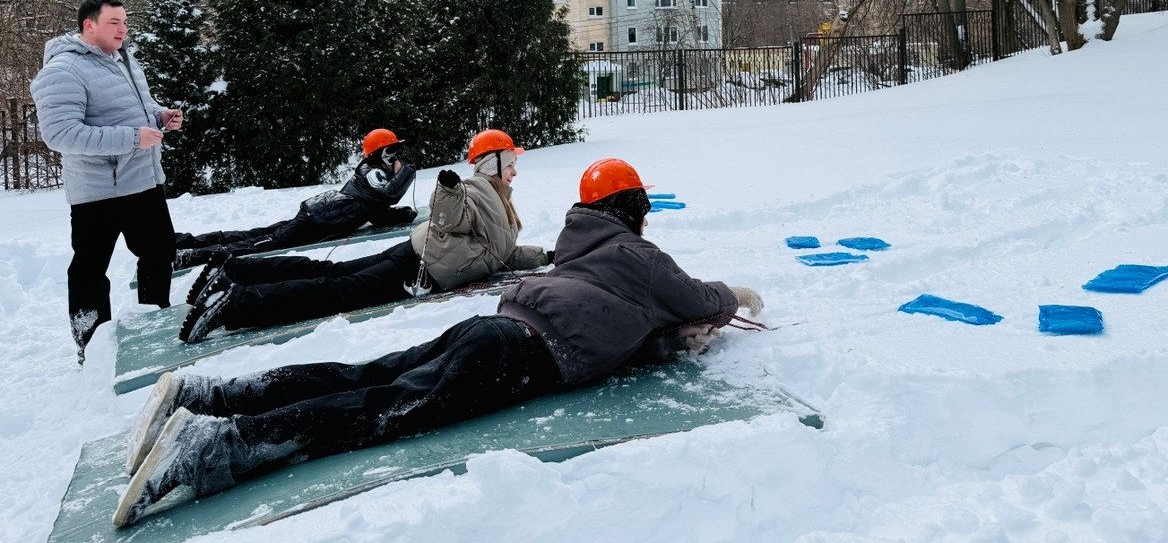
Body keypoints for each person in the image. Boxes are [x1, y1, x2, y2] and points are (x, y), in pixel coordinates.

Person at [114, 157, 764, 528]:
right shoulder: (639, 256)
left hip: (496, 326)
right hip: (520, 353)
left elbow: (620, 314)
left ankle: (211, 395)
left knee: (367, 373)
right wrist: (737, 295)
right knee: (383, 408)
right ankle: (217, 445)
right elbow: (697, 298)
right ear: (634, 207)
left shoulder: (581, 245)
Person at [178, 128, 549, 343]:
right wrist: (447, 189)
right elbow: (448, 216)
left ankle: (237, 271)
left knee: (333, 274)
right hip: (418, 268)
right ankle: (236, 303)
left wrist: (546, 256)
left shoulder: (499, 199)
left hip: (415, 256)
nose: (515, 171)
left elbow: (502, 252)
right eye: (511, 163)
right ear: (494, 163)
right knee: (337, 289)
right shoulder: (476, 189)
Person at [31, 0, 185, 363]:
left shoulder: (124, 59)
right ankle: (92, 348)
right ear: (89, 26)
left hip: (142, 181)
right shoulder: (62, 71)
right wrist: (133, 137)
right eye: (114, 22)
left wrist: (160, 116)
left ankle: (154, 326)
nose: (123, 29)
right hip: (99, 192)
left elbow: (135, 109)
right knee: (89, 270)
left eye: (125, 22)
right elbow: (61, 135)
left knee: (159, 253)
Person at [170, 129, 417, 270]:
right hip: (316, 220)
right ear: (380, 153)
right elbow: (388, 195)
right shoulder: (372, 173)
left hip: (317, 217)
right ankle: (190, 256)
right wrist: (405, 172)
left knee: (256, 235)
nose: (397, 156)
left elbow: (374, 209)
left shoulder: (376, 174)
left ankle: (183, 243)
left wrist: (401, 215)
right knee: (261, 244)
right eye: (392, 150)